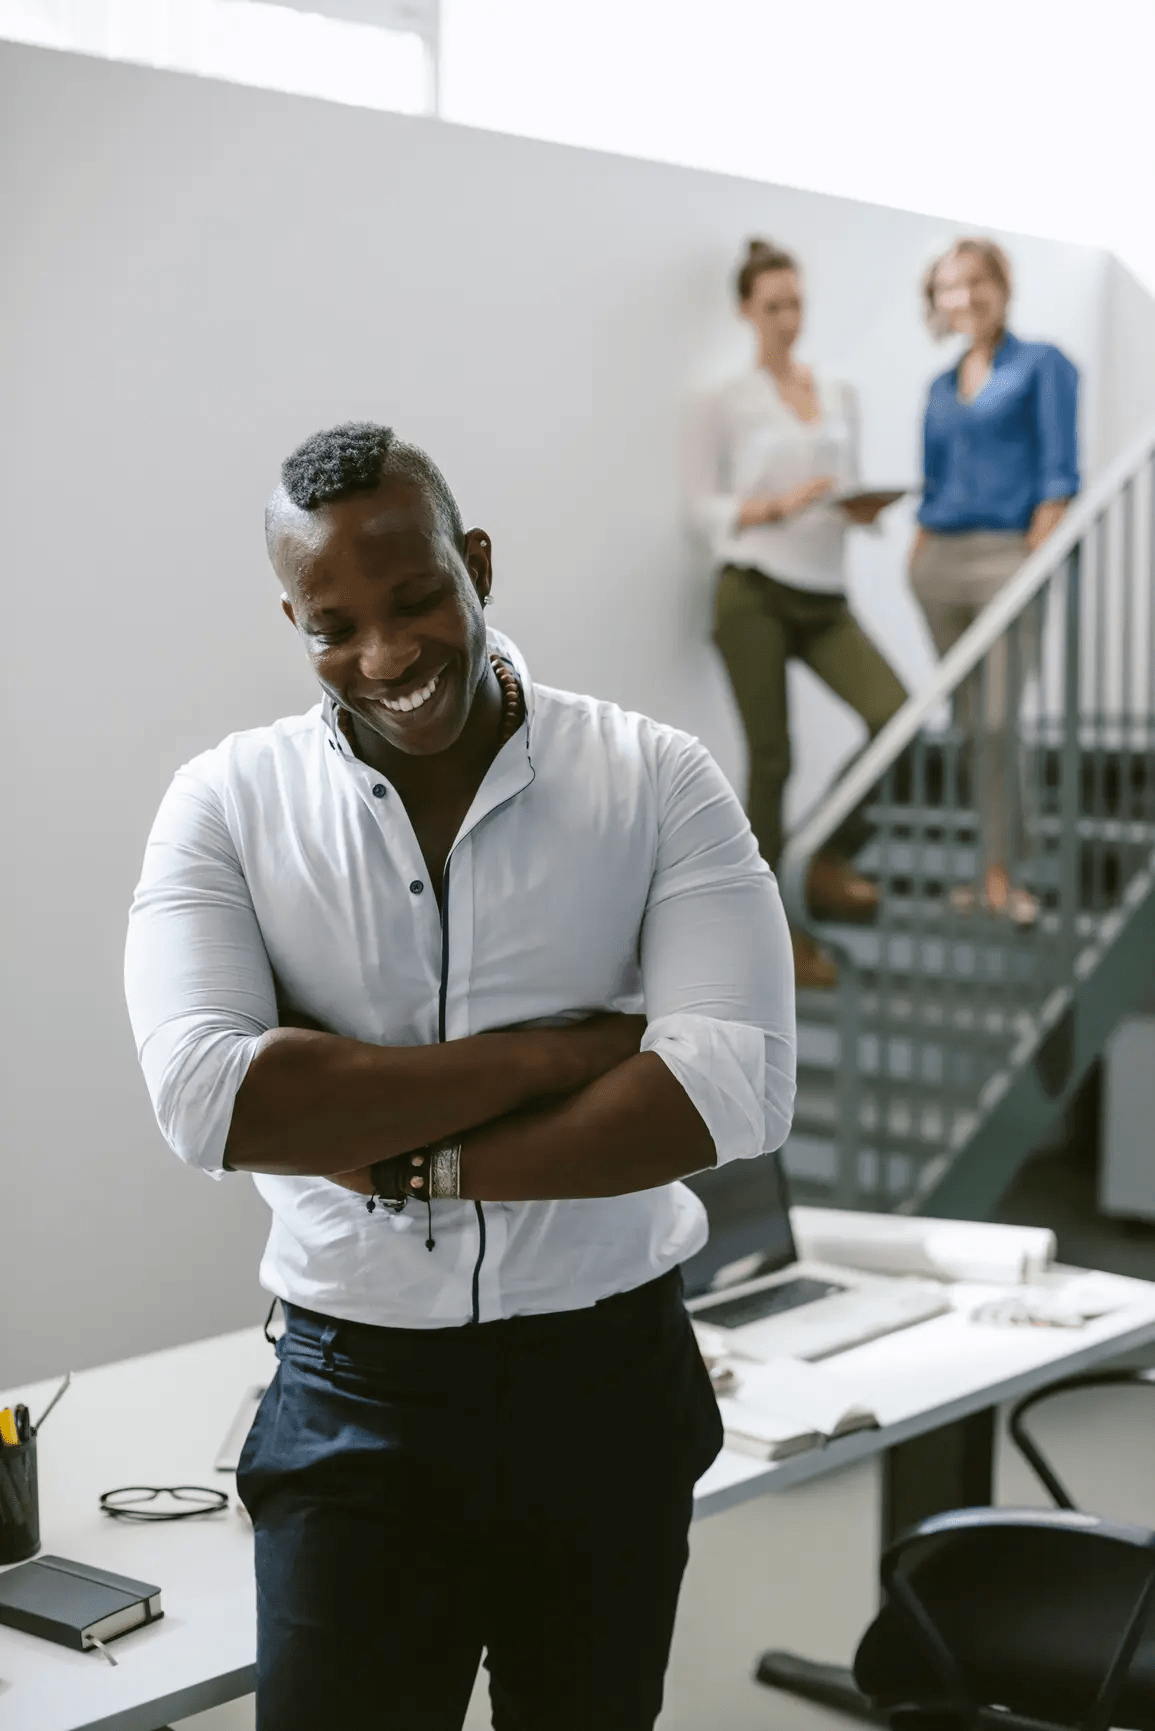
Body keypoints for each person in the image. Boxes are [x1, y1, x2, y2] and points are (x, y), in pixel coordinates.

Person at [124, 422, 796, 1731]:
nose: (384, 656)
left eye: (416, 597)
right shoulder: (225, 803)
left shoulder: (658, 781)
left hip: (606, 1388)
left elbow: (729, 1090)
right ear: (293, 619)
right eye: (334, 625)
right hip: (354, 1398)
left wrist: (406, 1148)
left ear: (473, 559)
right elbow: (214, 1098)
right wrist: (561, 1051)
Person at [687, 238, 908, 989]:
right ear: (746, 310)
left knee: (897, 718)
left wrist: (858, 507)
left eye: (796, 304)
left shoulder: (838, 390)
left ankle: (824, 857)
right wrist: (776, 504)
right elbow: (700, 508)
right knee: (771, 759)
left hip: (824, 589)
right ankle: (771, 937)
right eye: (772, 305)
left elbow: (839, 483)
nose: (787, 318)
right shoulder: (726, 399)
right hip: (753, 588)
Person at [910, 237, 1079, 925]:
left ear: (1001, 287)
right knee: (970, 724)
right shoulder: (938, 386)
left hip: (1008, 556)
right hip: (938, 566)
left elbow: (1059, 474)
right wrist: (915, 556)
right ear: (937, 302)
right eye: (951, 286)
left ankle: (1004, 874)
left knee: (998, 720)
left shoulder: (1043, 365)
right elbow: (932, 480)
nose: (966, 297)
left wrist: (1033, 558)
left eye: (977, 281)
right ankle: (989, 867)